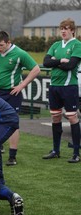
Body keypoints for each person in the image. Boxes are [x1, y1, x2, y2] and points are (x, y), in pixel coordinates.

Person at [0, 31, 40, 166]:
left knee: (13, 123)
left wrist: (22, 85)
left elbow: (36, 69)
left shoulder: (20, 53)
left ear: (8, 43)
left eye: (1, 45)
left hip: (13, 92)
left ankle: (12, 156)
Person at [42, 18, 81, 163]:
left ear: (72, 30)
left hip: (69, 86)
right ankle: (56, 150)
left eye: (66, 28)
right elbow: (46, 62)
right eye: (61, 28)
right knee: (55, 117)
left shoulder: (77, 45)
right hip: (54, 86)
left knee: (72, 117)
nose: (63, 31)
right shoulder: (56, 45)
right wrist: (60, 61)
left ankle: (76, 153)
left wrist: (55, 62)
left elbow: (70, 65)